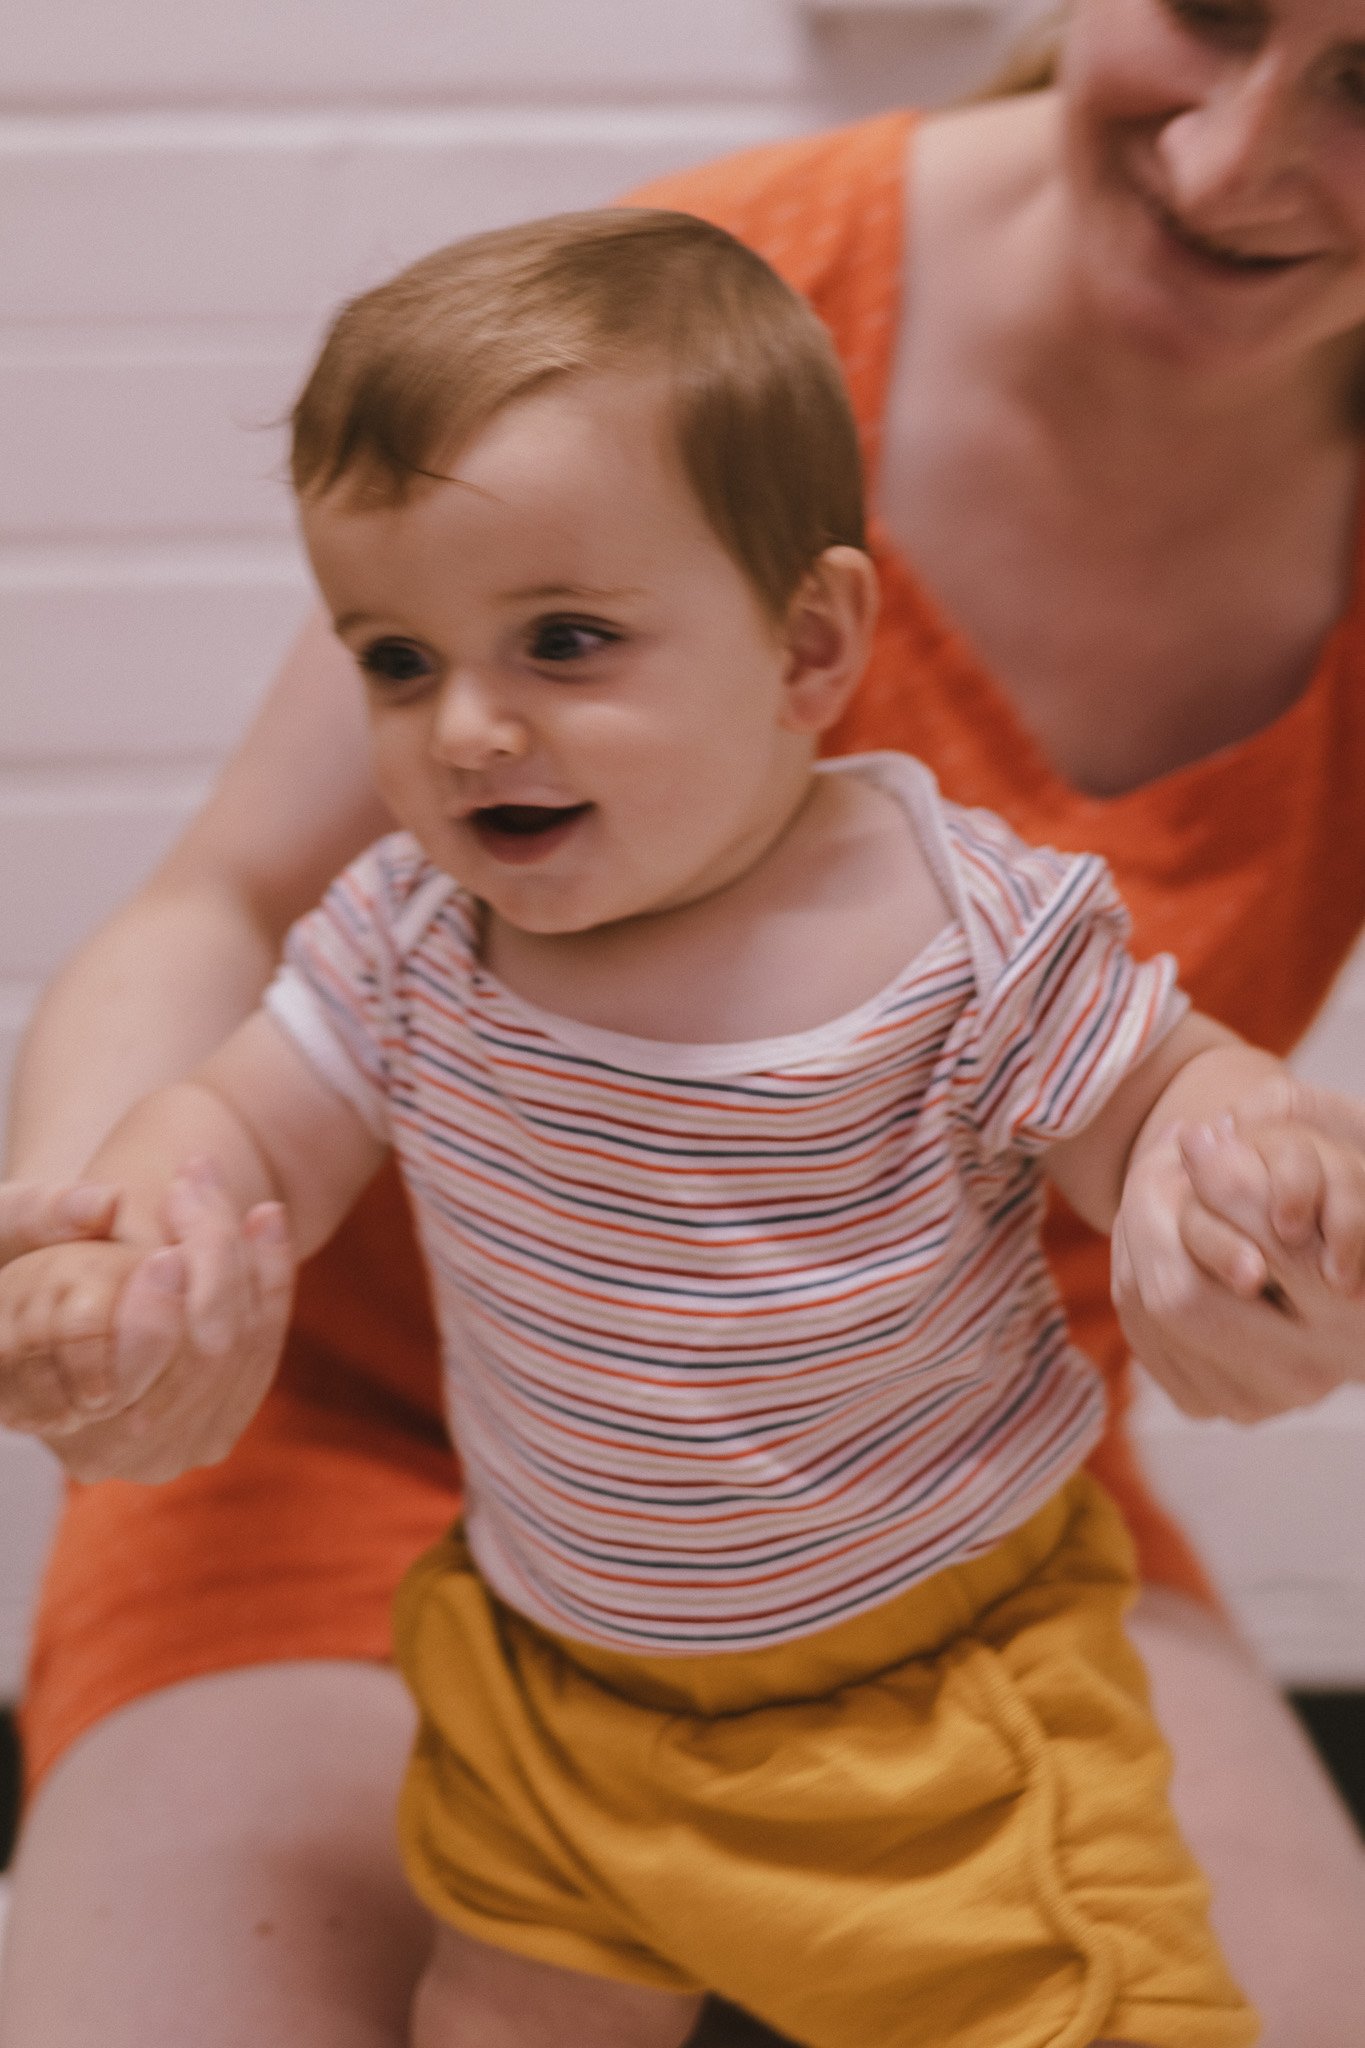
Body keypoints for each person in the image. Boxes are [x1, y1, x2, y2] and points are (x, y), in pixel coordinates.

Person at [3, 0, 1365, 2041]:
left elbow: (1159, 1082)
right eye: (397, 658)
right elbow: (236, 1059)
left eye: (561, 643)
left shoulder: (953, 906)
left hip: (932, 1602)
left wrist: (1249, 1196)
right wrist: (128, 1232)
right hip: (510, 1598)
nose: (465, 724)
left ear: (814, 638)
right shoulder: (417, 911)